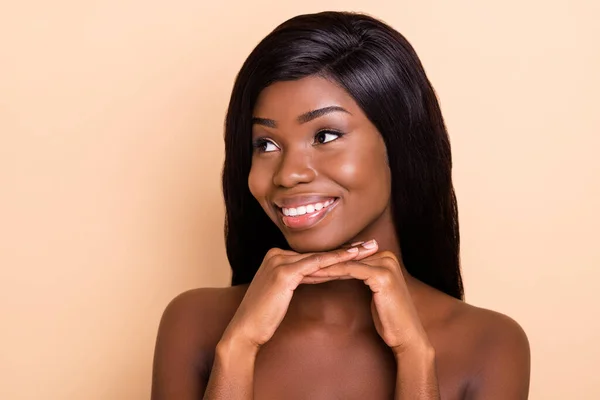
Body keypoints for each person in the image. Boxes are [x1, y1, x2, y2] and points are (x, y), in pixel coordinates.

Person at [151, 11, 530, 400]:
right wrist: (238, 348)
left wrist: (415, 357)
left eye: (326, 135)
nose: (288, 174)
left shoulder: (490, 345)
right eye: (265, 144)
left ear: (399, 146)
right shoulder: (194, 323)